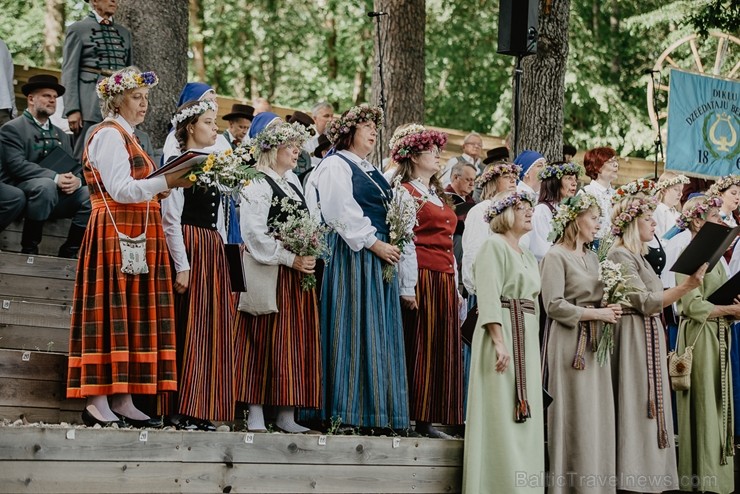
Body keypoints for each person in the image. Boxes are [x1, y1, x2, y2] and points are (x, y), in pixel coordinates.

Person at [66, 67, 192, 427]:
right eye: (137, 97)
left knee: (129, 313)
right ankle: (97, 399)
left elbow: (136, 185)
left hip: (136, 231)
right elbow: (120, 190)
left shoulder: (131, 136)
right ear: (117, 100)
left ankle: (122, 397)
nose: (145, 104)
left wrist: (161, 186)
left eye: (146, 98)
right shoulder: (108, 135)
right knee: (108, 312)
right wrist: (162, 181)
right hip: (114, 231)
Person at [304, 105, 410, 432]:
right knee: (351, 326)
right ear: (349, 131)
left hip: (377, 255)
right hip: (354, 254)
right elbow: (339, 211)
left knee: (376, 330)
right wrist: (373, 243)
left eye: (375, 126)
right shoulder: (336, 165)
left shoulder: (369, 169)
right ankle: (345, 411)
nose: (373, 130)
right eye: (366, 125)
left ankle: (375, 411)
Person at [606, 195, 706, 493]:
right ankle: (634, 476)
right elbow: (646, 302)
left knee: (650, 401)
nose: (654, 223)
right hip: (633, 336)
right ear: (633, 223)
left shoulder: (638, 256)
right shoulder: (620, 254)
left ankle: (651, 474)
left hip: (647, 332)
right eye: (648, 219)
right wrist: (686, 286)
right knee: (637, 399)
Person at [235, 122, 321, 434]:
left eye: (298, 146)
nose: (297, 151)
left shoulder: (294, 182)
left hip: (294, 276)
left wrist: (309, 248)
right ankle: (255, 410)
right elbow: (254, 233)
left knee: (292, 342)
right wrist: (288, 257)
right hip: (269, 271)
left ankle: (286, 412)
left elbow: (309, 222)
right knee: (262, 338)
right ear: (272, 150)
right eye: (290, 146)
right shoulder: (257, 183)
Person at [160, 100, 237, 431]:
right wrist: (182, 264)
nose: (215, 127)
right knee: (187, 326)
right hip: (191, 247)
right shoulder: (179, 163)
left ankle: (200, 406)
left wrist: (225, 257)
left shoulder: (213, 165)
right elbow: (170, 219)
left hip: (212, 249)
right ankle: (177, 408)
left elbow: (221, 218)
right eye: (208, 122)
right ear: (191, 127)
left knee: (208, 329)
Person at [462, 191, 544, 493]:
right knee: (499, 409)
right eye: (522, 208)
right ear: (505, 215)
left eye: (530, 209)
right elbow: (488, 295)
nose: (529, 213)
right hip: (503, 337)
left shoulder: (526, 255)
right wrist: (498, 341)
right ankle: (497, 483)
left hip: (527, 340)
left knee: (527, 410)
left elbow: (533, 300)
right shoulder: (492, 247)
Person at [540, 194, 622, 494]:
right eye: (593, 218)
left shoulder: (591, 256)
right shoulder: (555, 256)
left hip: (595, 341)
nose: (598, 225)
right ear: (576, 220)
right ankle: (569, 484)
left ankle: (596, 483)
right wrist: (594, 312)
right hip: (568, 344)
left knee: (596, 413)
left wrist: (611, 303)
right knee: (574, 412)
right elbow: (553, 305)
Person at [392, 124, 463, 438]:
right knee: (420, 343)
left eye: (438, 151)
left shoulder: (437, 194)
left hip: (444, 277)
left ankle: (430, 418)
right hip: (422, 275)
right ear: (414, 156)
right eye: (431, 151)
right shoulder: (405, 191)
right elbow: (405, 239)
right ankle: (411, 415)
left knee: (441, 347)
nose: (438, 156)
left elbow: (449, 243)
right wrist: (407, 286)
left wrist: (457, 285)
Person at [674, 195, 740, 494]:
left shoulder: (715, 255)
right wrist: (729, 310)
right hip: (700, 340)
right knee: (703, 407)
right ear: (699, 221)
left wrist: (733, 304)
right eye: (717, 218)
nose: (722, 223)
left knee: (718, 405)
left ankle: (718, 480)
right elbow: (690, 305)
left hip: (719, 335)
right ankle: (701, 480)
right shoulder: (691, 255)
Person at [0, 74, 91, 258]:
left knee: (89, 195)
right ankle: (29, 249)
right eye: (46, 96)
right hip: (22, 191)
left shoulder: (61, 134)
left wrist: (76, 180)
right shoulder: (12, 128)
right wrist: (55, 178)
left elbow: (73, 166)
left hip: (53, 196)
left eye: (54, 97)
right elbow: (17, 166)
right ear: (31, 99)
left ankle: (70, 251)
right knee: (46, 186)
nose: (52, 100)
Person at [62, 0, 132, 161]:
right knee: (84, 152)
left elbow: (130, 71)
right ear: (94, 1)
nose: (114, 1)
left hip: (119, 102)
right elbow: (69, 71)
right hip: (89, 101)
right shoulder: (78, 29)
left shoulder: (124, 33)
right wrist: (72, 109)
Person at [461, 162, 522, 295]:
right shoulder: (481, 210)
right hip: (487, 288)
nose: (513, 180)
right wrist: (478, 289)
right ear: (493, 182)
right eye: (506, 176)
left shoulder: (517, 211)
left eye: (514, 176)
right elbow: (473, 252)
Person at [162, 82, 230, 161]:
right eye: (209, 101)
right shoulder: (175, 137)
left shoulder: (220, 138)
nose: (215, 105)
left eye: (215, 100)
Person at [529, 161, 581, 262]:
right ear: (555, 182)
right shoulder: (541, 211)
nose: (574, 183)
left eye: (575, 179)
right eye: (568, 178)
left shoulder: (571, 211)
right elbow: (541, 251)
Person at [581, 147, 618, 240]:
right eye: (610, 162)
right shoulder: (586, 193)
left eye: (616, 161)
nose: (616, 165)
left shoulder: (618, 194)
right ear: (597, 166)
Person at [653, 172, 689, 239]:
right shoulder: (657, 210)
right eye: (676, 189)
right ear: (663, 190)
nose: (680, 194)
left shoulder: (677, 214)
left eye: (681, 191)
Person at [0, 37, 16, 126]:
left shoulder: (2, 45)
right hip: (3, 108)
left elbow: (8, 79)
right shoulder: (2, 45)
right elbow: (9, 81)